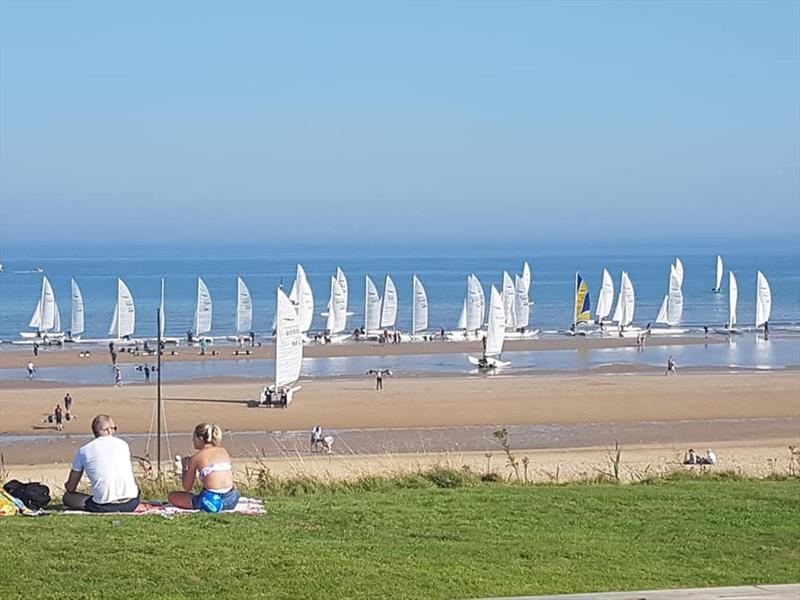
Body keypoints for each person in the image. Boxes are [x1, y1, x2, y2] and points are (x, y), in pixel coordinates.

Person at [63, 415, 140, 512]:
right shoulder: (123, 444)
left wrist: (67, 487)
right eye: (114, 428)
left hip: (105, 505)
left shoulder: (84, 450)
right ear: (108, 430)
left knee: (68, 498)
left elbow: (71, 486)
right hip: (132, 502)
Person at [168, 423, 240, 512]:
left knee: (172, 496)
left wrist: (185, 468)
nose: (192, 440)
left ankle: (209, 506)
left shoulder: (197, 457)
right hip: (232, 498)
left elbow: (187, 487)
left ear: (200, 438)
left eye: (194, 437)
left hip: (210, 501)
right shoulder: (223, 451)